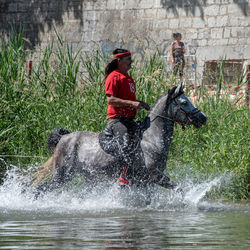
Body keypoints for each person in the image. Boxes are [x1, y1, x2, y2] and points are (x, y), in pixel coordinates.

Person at [103, 48, 150, 184]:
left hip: (129, 120)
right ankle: (123, 177)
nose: (131, 62)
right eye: (128, 59)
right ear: (119, 60)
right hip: (117, 120)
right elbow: (110, 100)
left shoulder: (129, 78)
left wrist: (140, 103)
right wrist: (133, 104)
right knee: (127, 143)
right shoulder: (113, 76)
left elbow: (129, 101)